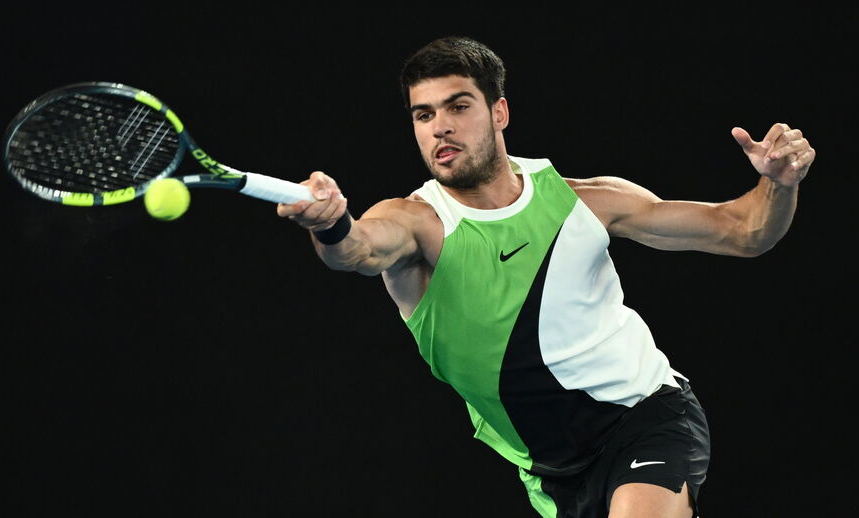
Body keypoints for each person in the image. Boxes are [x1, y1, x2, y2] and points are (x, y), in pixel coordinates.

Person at [277, 36, 814, 518]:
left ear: (499, 112)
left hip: (646, 415)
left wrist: (780, 184)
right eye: (423, 114)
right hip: (551, 472)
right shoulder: (416, 223)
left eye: (458, 106)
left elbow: (743, 231)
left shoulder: (585, 200)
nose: (440, 126)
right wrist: (330, 224)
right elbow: (356, 249)